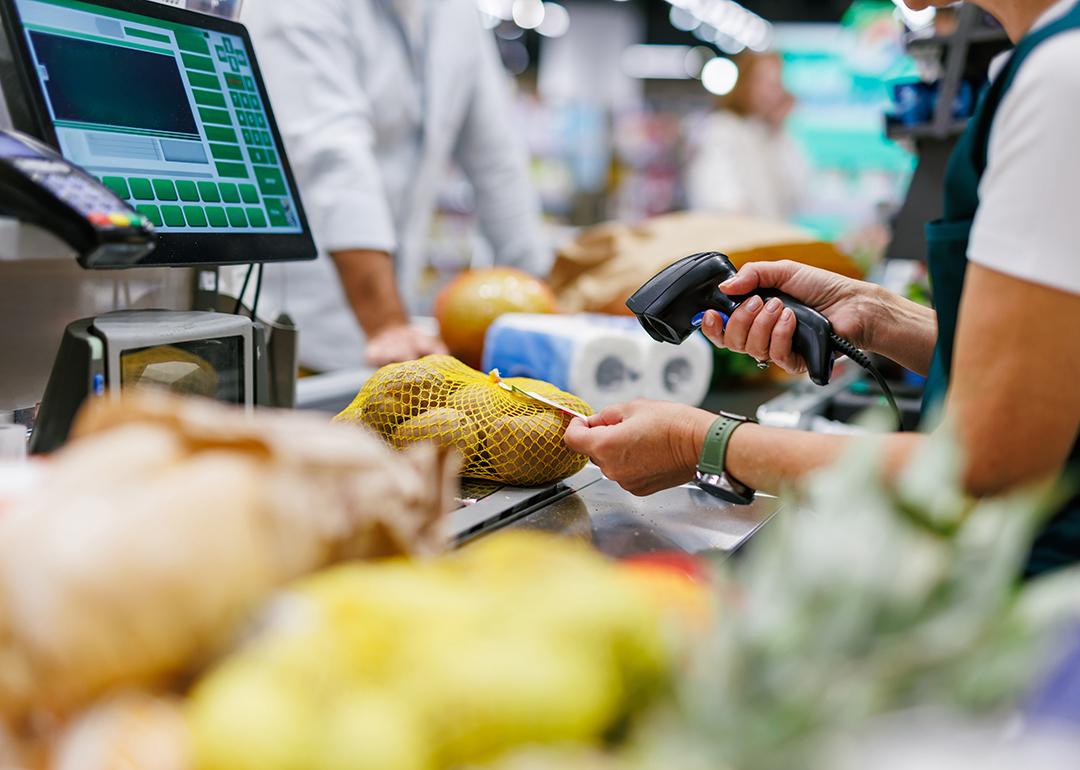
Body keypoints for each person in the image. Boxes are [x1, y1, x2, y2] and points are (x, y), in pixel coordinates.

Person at [566, 0, 1080, 578]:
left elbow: (987, 468)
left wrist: (702, 443)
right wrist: (876, 313)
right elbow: (1050, 371)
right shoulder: (1047, 64)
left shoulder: (1060, 80)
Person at [243, 0, 548, 370]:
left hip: (397, 327)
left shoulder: (455, 14)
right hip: (298, 337)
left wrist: (544, 312)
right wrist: (387, 325)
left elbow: (498, 162)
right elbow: (333, 158)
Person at [684, 51, 809, 222]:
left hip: (766, 239)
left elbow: (797, 193)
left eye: (777, 84)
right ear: (746, 83)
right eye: (766, 83)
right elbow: (719, 193)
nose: (773, 93)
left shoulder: (770, 134)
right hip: (739, 239)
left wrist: (779, 130)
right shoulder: (722, 128)